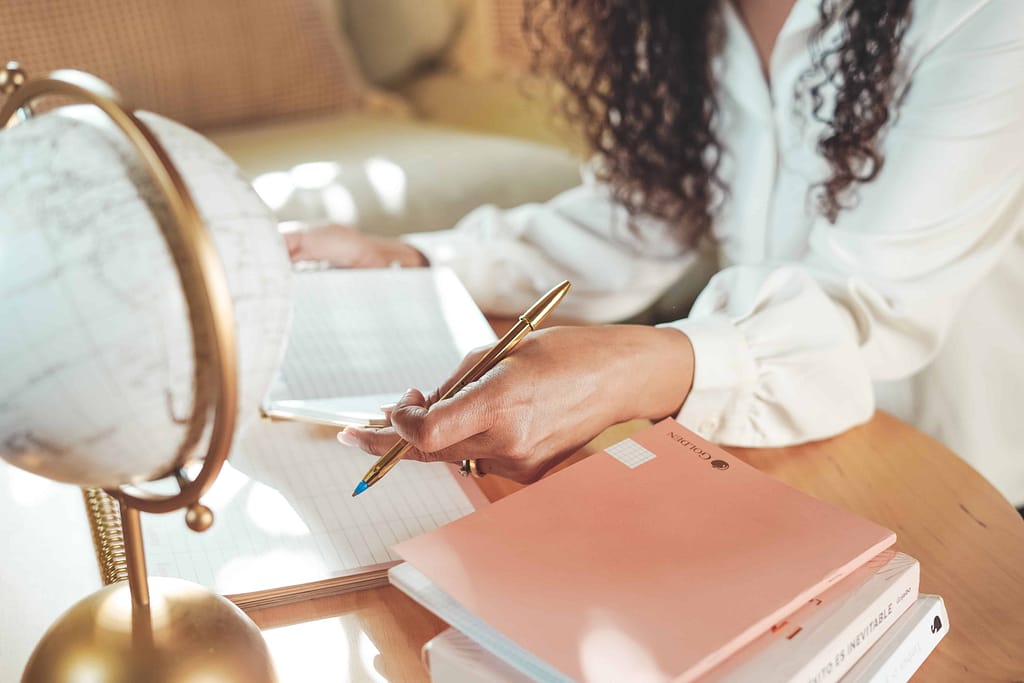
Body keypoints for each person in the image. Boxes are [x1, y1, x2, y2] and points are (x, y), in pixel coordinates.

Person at [286, 0, 1024, 510]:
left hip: (954, 467)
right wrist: (415, 260)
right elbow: (641, 211)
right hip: (764, 452)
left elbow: (864, 308)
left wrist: (631, 371)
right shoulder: (678, 15)